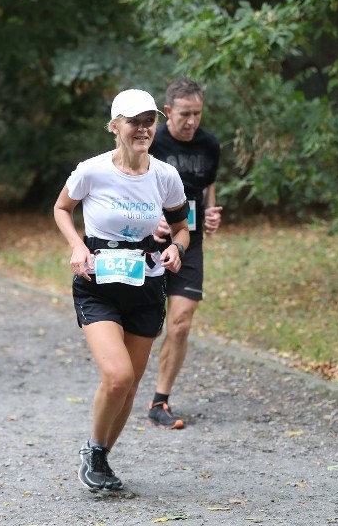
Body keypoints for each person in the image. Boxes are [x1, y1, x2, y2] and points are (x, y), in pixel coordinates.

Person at [53, 89, 190, 491]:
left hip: (146, 285)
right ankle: (95, 452)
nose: (143, 128)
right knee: (117, 376)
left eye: (149, 120)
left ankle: (99, 457)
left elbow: (182, 228)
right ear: (115, 127)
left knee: (130, 386)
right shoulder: (92, 170)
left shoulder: (165, 175)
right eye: (134, 121)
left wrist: (177, 248)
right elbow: (62, 208)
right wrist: (77, 245)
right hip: (98, 283)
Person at [146, 78, 222, 430]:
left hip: (188, 241)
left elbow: (207, 184)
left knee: (180, 323)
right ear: (169, 112)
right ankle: (123, 383)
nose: (192, 121)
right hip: (147, 242)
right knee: (144, 323)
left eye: (198, 114)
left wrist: (210, 211)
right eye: (185, 114)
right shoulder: (151, 142)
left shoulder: (209, 145)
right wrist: (151, 219)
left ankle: (160, 400)